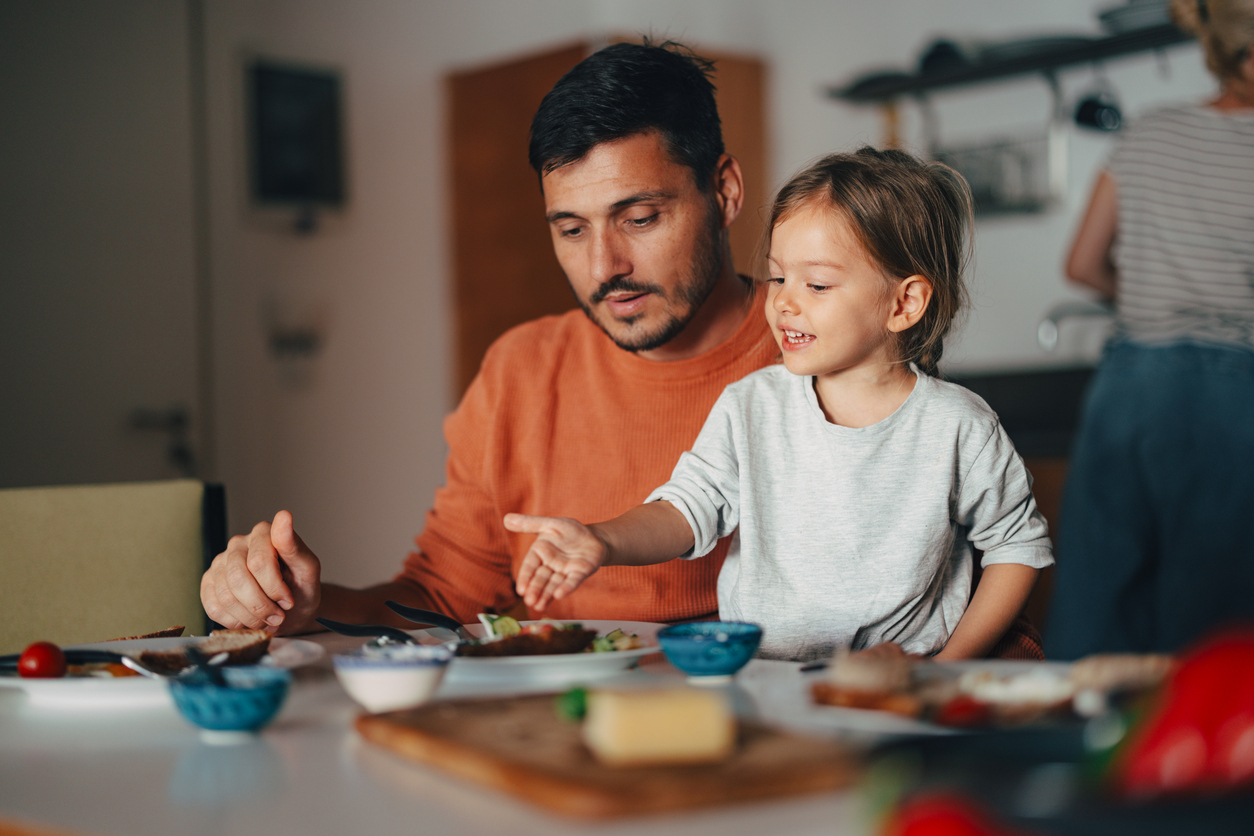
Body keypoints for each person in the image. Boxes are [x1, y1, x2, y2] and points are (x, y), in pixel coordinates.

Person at [201, 41, 777, 634]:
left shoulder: (822, 353)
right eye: (573, 229)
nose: (605, 266)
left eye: (639, 219)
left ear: (725, 191)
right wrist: (299, 605)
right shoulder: (521, 370)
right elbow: (437, 598)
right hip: (565, 714)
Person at [506, 148, 1055, 662]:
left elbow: (1017, 548)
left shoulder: (958, 426)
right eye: (777, 276)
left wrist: (948, 666)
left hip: (900, 687)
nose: (783, 301)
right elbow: (685, 510)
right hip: (766, 680)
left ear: (904, 302)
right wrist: (601, 539)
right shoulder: (751, 407)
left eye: (816, 285)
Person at [1046, 0, 1254, 659]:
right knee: (1209, 611)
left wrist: (1146, 293)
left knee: (1099, 590)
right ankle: (1195, 759)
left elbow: (1081, 264)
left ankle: (1078, 752)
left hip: (1130, 384)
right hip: (1231, 387)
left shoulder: (1148, 132)